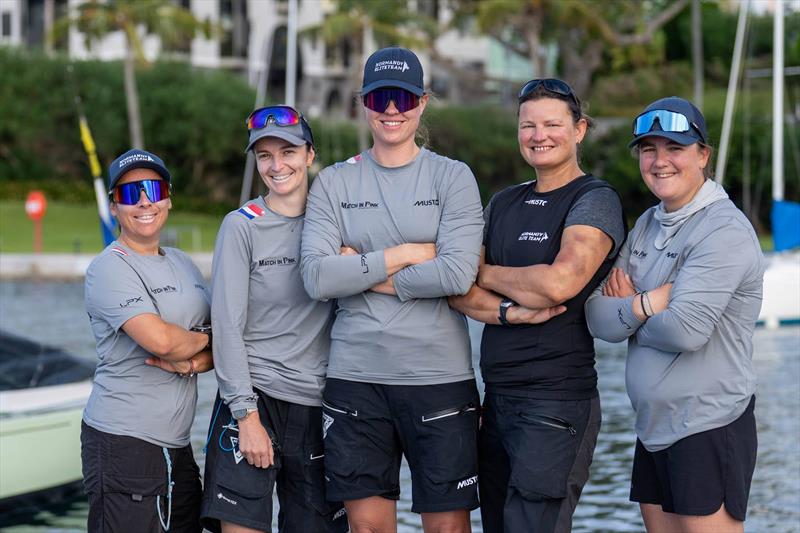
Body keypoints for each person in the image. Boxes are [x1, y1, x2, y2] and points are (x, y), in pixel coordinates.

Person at [300, 46, 484, 533]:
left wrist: (359, 274)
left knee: (447, 528)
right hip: (356, 376)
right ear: (364, 102)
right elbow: (317, 277)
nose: (391, 110)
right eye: (381, 97)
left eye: (402, 98)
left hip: (439, 379)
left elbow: (457, 275)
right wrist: (405, 255)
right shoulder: (334, 183)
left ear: (422, 102)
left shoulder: (453, 177)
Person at [449, 78, 627, 533]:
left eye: (552, 124)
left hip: (556, 403)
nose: (538, 135)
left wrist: (485, 275)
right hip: (497, 400)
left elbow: (559, 283)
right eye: (527, 125)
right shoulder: (504, 202)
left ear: (580, 129)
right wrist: (510, 308)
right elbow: (456, 288)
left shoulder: (594, 200)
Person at [585, 96, 764, 533]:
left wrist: (629, 306)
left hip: (707, 425)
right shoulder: (647, 222)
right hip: (653, 429)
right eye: (649, 149)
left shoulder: (723, 231)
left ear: (703, 155)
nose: (660, 161)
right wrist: (650, 302)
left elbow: (686, 331)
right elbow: (596, 318)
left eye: (675, 148)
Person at [200, 105, 348, 533]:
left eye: (287, 151)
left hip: (318, 406)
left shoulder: (336, 224)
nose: (276, 165)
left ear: (309, 155)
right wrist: (246, 417)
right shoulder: (241, 226)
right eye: (264, 155)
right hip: (254, 398)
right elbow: (225, 325)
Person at [82, 149, 213, 533]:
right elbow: (161, 341)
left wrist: (191, 359)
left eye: (152, 188)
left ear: (168, 197)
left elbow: (223, 343)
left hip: (178, 447)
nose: (143, 201)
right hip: (124, 445)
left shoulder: (184, 264)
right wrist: (196, 343)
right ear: (114, 206)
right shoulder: (109, 267)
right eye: (129, 193)